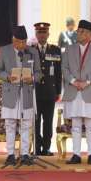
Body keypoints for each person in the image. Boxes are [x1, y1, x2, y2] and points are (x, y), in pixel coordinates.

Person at [0, 25, 41, 166]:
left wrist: (32, 78)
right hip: (11, 93)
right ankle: (10, 154)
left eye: (24, 42)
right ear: (13, 40)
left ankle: (25, 154)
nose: (22, 45)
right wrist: (8, 77)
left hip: (26, 93)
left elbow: (39, 73)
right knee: (10, 124)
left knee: (26, 124)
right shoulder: (4, 51)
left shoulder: (33, 52)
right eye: (19, 42)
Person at [62, 20, 91, 165]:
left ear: (89, 34)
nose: (78, 34)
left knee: (90, 125)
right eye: (78, 31)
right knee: (75, 124)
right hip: (73, 90)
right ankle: (76, 154)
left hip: (89, 89)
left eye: (81, 31)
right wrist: (74, 81)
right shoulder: (69, 49)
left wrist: (86, 82)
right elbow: (64, 68)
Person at [32, 22, 61, 156]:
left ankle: (46, 148)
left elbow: (58, 73)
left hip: (50, 92)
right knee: (36, 122)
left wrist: (59, 91)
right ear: (36, 35)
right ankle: (37, 147)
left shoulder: (55, 50)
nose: (42, 35)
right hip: (35, 93)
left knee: (48, 122)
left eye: (44, 33)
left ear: (48, 34)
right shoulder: (31, 50)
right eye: (39, 33)